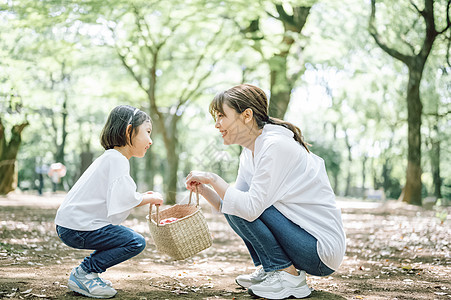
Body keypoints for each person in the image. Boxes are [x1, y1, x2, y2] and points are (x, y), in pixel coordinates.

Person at [185, 84, 346, 299]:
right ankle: (271, 269)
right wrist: (205, 189)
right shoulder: (250, 151)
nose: (217, 124)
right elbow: (229, 205)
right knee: (236, 201)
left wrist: (214, 179)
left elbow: (247, 208)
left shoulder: (275, 145)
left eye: (222, 116)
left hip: (319, 249)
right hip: (301, 238)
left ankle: (285, 275)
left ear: (247, 115)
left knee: (241, 203)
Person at [55, 105, 163, 299]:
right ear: (129, 130)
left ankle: (88, 273)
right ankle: (85, 273)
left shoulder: (111, 158)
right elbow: (125, 198)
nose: (150, 140)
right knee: (134, 241)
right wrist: (150, 198)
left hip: (71, 224)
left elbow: (120, 194)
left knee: (125, 238)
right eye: (147, 132)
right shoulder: (117, 159)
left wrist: (140, 196)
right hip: (77, 226)